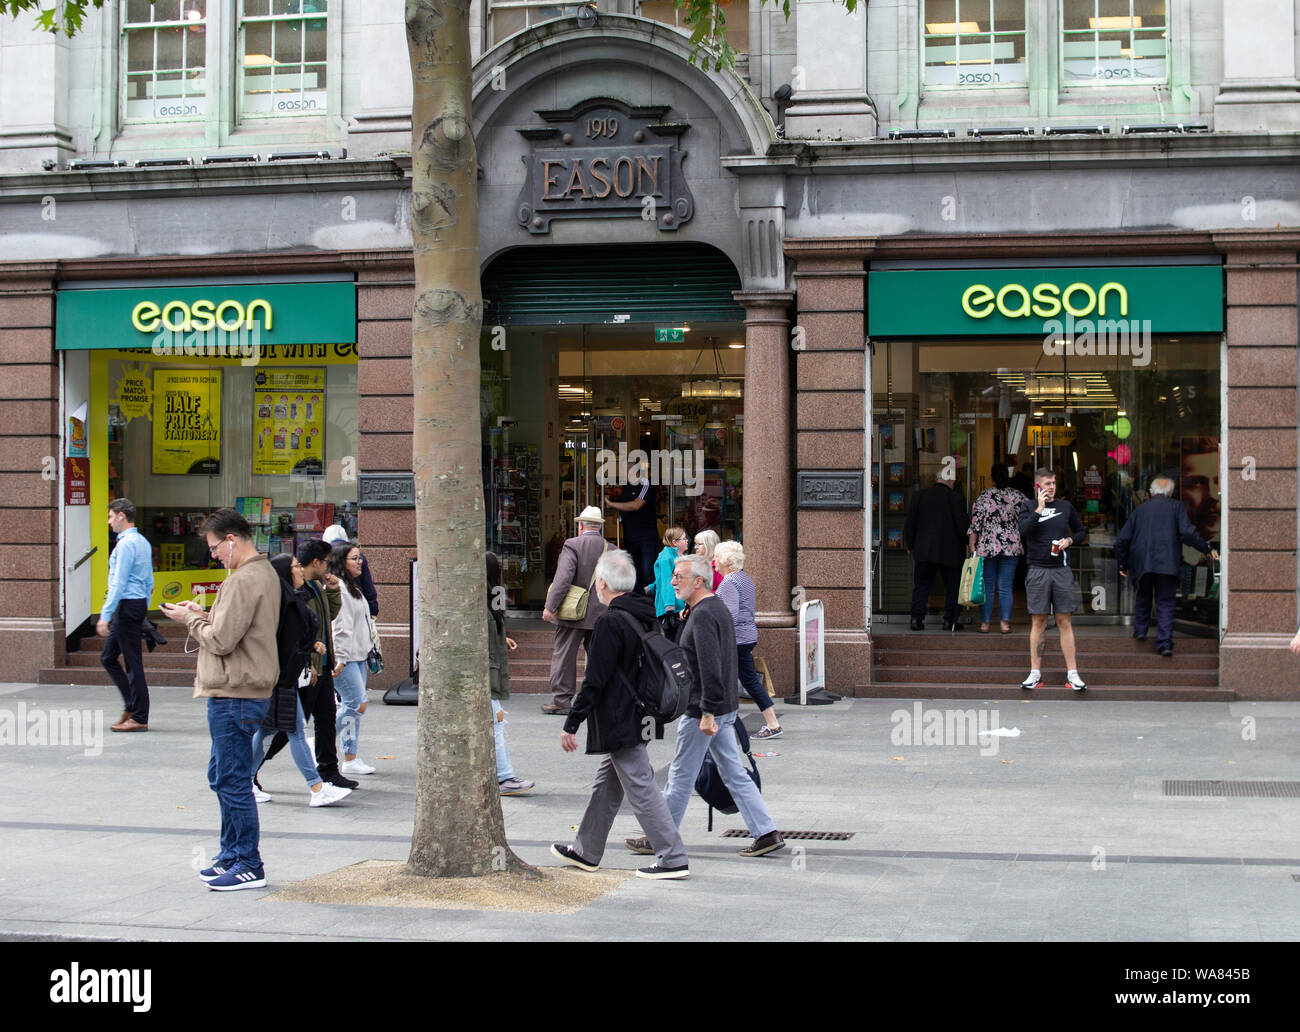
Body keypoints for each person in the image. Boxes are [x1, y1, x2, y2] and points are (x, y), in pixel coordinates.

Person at [627, 553, 785, 859]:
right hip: (720, 708)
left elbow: (711, 667)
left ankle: (660, 838)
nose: (672, 581)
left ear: (698, 581)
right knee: (733, 774)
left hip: (704, 710)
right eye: (673, 576)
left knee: (681, 776)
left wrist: (708, 713)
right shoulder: (711, 608)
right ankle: (766, 833)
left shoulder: (703, 615)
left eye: (679, 577)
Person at [159, 507, 280, 891]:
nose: (213, 555)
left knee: (231, 780)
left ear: (232, 539)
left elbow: (222, 640)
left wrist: (190, 620)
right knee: (223, 776)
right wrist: (203, 613)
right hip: (238, 689)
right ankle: (232, 854)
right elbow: (234, 629)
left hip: (235, 691)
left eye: (214, 548)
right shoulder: (259, 574)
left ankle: (247, 862)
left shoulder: (245, 579)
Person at [551, 549, 690, 880]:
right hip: (643, 713)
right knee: (608, 783)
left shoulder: (610, 622)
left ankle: (672, 857)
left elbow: (595, 680)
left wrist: (572, 722)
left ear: (601, 584)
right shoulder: (646, 614)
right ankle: (586, 850)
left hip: (621, 717)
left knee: (641, 787)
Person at [250, 555, 352, 807]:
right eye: (295, 566)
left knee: (268, 729)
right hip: (279, 677)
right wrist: (307, 651)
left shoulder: (293, 597)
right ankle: (316, 787)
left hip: (284, 675)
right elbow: (281, 639)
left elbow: (295, 636)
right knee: (295, 729)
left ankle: (245, 780)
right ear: (286, 572)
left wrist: (309, 651)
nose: (299, 569)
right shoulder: (279, 602)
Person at [1114, 476, 1218, 657]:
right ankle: (1164, 644)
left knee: (1143, 595)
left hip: (1143, 561)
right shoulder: (1176, 507)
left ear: (1151, 492)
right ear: (1170, 492)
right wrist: (1206, 548)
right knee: (1165, 602)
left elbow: (1122, 539)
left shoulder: (1140, 510)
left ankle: (1140, 631)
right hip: (1168, 562)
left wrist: (1124, 563)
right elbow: (1187, 533)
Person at [1016, 469, 1088, 691]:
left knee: (1064, 621)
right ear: (1037, 486)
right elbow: (1024, 531)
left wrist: (1069, 540)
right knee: (1038, 622)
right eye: (1047, 483)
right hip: (1037, 569)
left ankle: (1073, 673)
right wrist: (1039, 508)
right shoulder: (1027, 507)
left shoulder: (1066, 507)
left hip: (1061, 570)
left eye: (1054, 483)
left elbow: (1081, 531)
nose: (1052, 487)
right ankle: (1035, 673)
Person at [540, 506, 608, 715]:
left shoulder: (572, 545)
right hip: (602, 611)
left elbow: (563, 579)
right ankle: (601, 698)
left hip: (572, 611)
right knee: (601, 656)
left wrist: (550, 606)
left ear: (580, 525)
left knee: (564, 655)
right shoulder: (611, 548)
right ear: (599, 526)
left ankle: (562, 700)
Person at [713, 541, 782, 739]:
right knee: (741, 680)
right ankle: (726, 722)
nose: (714, 560)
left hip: (736, 639)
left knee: (746, 681)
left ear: (726, 560)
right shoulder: (744, 579)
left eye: (717, 557)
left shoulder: (729, 582)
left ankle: (772, 724)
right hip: (746, 636)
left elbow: (730, 615)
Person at [97, 498, 154, 733]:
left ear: (121, 516)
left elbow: (118, 582)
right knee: (108, 656)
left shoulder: (126, 544)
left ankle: (139, 715)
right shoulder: (142, 542)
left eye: (111, 517)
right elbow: (149, 580)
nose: (109, 522)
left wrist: (105, 614)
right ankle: (132, 706)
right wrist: (144, 606)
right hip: (135, 604)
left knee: (132, 662)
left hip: (127, 605)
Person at [488, 552, 534, 796]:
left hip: (490, 670)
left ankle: (502, 775)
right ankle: (503, 776)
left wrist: (500, 638)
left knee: (495, 721)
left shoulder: (490, 597)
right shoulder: (484, 599)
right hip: (485, 673)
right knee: (495, 721)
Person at [329, 541, 376, 777]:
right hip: (344, 658)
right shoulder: (340, 588)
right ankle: (321, 739)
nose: (360, 563)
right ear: (341, 562)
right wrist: (342, 658)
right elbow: (340, 627)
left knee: (353, 708)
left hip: (358, 655)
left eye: (360, 558)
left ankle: (350, 757)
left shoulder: (353, 587)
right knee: (357, 704)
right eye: (354, 558)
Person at [904, 468, 970, 632]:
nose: (954, 483)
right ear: (949, 480)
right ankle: (950, 621)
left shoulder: (920, 496)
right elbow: (963, 528)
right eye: (953, 481)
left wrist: (909, 544)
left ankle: (916, 619)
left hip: (924, 550)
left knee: (922, 586)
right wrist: (969, 544)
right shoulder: (956, 499)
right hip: (951, 551)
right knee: (953, 587)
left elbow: (910, 522)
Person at [968, 464, 1024, 634]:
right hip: (1011, 546)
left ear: (991, 477)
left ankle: (985, 624)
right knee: (1005, 586)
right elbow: (1029, 518)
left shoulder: (984, 496)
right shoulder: (1017, 496)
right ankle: (1004, 624)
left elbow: (975, 524)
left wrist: (972, 545)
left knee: (987, 585)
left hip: (988, 546)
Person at [604, 454, 658, 593]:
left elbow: (636, 505)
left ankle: (652, 606)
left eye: (624, 469)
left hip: (646, 537)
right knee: (634, 574)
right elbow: (626, 506)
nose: (622, 472)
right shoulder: (626, 486)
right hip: (630, 537)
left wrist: (612, 504)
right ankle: (637, 603)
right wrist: (618, 515)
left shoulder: (646, 483)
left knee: (648, 573)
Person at [322, 524, 378, 617]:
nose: (358, 562)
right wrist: (372, 610)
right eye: (354, 559)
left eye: (358, 559)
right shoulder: (342, 588)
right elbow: (368, 586)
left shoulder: (324, 556)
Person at [652, 526, 689, 640]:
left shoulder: (677, 556)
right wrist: (669, 605)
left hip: (678, 605)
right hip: (671, 609)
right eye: (684, 538)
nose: (687, 540)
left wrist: (651, 587)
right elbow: (666, 582)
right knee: (674, 641)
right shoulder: (666, 558)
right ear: (674, 542)